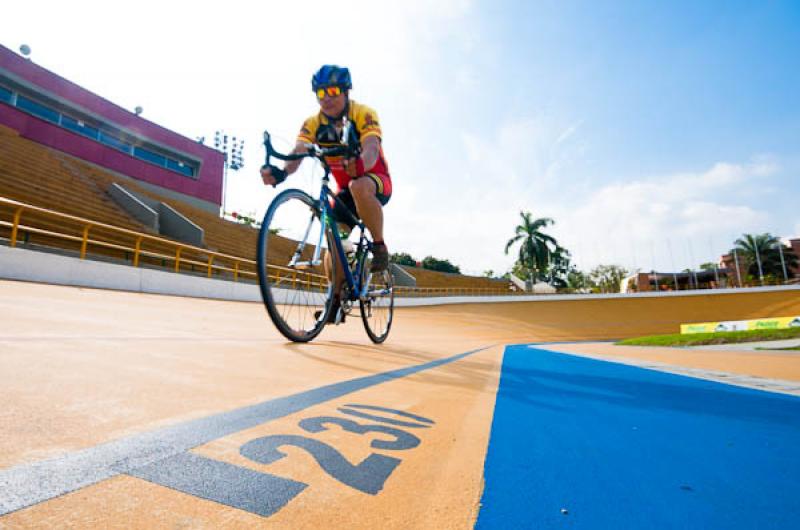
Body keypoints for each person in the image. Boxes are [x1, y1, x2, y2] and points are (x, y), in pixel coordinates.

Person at [261, 64, 392, 323]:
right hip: (345, 193)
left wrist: (361, 165)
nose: (327, 98)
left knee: (358, 186)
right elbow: (299, 151)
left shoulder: (363, 113)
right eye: (321, 93)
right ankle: (335, 297)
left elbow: (372, 148)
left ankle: (378, 246)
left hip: (374, 181)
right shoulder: (313, 123)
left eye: (332, 91)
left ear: (345, 92)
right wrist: (283, 173)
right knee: (333, 242)